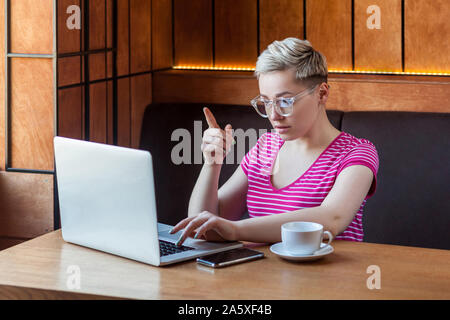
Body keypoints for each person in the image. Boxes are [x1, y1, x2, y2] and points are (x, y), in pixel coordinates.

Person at [170, 37, 379, 246]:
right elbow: (202, 227)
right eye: (266, 102)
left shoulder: (356, 153)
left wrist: (236, 230)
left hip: (325, 277)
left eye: (285, 101)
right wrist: (212, 163)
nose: (274, 115)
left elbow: (332, 218)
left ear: (322, 93)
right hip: (258, 275)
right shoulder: (265, 147)